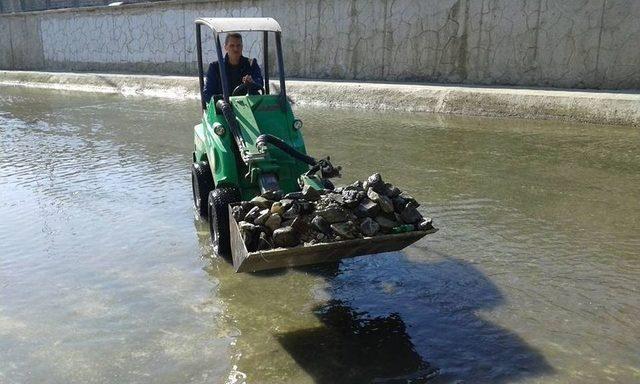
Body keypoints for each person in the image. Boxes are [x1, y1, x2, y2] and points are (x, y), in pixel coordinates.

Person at [202, 33, 264, 104]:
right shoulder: (215, 67)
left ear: (242, 47)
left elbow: (260, 82)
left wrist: (252, 82)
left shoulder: (251, 64)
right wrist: (222, 102)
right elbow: (207, 94)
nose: (236, 49)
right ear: (225, 47)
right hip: (224, 109)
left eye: (238, 45)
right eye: (232, 46)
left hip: (248, 107)